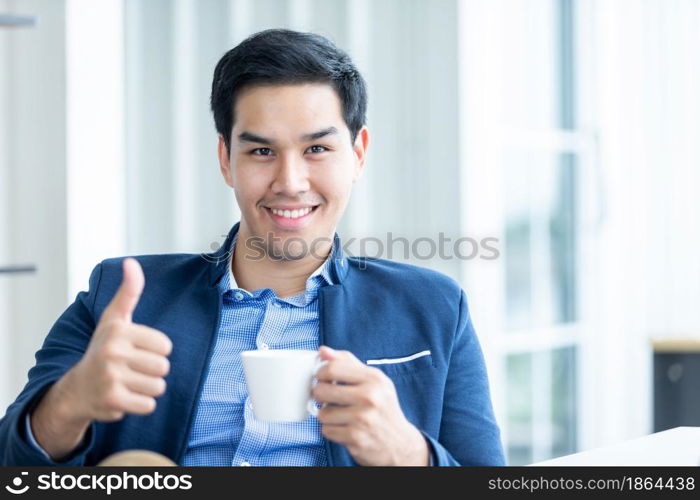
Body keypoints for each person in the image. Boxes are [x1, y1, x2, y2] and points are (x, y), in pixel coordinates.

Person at [0, 29, 505, 466]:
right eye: (261, 151)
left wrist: (408, 454)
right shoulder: (121, 295)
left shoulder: (435, 307)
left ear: (357, 155)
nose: (290, 181)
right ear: (226, 160)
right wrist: (69, 404)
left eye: (317, 149)